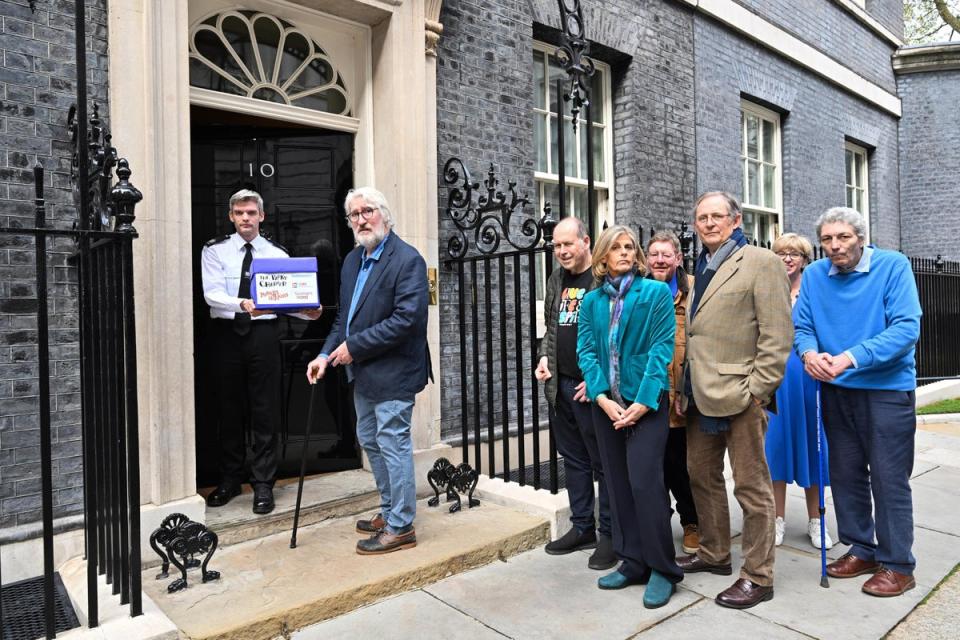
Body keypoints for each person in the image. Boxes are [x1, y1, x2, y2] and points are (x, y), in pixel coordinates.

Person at [794, 207, 922, 597]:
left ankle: (898, 564)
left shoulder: (893, 266)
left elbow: (906, 328)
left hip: (886, 390)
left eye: (843, 237)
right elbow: (803, 327)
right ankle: (862, 548)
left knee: (888, 477)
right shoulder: (815, 275)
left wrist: (851, 357)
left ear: (861, 237)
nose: (834, 246)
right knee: (846, 474)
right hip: (836, 390)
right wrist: (809, 355)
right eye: (828, 239)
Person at [676, 191, 792, 610]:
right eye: (701, 217)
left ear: (736, 220)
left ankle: (759, 576)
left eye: (717, 216)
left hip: (742, 396)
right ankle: (714, 553)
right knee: (701, 476)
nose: (708, 223)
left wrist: (758, 392)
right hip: (699, 396)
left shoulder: (762, 263)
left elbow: (777, 336)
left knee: (751, 486)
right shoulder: (698, 270)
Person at [306, 187, 430, 555]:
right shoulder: (351, 261)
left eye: (368, 211)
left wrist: (353, 348)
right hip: (363, 374)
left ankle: (401, 526)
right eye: (354, 214)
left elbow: (407, 320)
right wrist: (325, 354)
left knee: (393, 444)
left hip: (395, 372)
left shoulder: (408, 260)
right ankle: (391, 510)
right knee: (372, 442)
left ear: (385, 215)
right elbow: (345, 319)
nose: (361, 219)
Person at [577, 225, 682, 609]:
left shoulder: (653, 293)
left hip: (646, 406)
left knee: (645, 484)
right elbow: (586, 351)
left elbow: (661, 349)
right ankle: (633, 560)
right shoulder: (590, 302)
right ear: (603, 256)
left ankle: (663, 568)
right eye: (616, 248)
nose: (624, 252)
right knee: (617, 484)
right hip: (606, 407)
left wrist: (643, 402)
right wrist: (602, 398)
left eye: (629, 247)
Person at [201, 189, 321, 514]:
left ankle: (263, 483)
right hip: (227, 335)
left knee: (265, 408)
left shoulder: (278, 255)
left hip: (264, 336)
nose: (245, 218)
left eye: (251, 213)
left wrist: (307, 312)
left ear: (261, 216)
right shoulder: (215, 251)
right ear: (231, 216)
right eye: (239, 213)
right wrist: (242, 304)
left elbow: (282, 301)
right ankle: (229, 480)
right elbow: (211, 294)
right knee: (228, 408)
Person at [535, 217, 615, 570]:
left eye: (568, 244)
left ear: (586, 241)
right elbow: (552, 325)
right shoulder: (556, 279)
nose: (562, 251)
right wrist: (543, 356)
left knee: (604, 464)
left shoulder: (602, 278)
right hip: (561, 384)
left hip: (592, 389)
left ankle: (611, 534)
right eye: (556, 246)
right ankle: (583, 527)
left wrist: (598, 380)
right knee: (575, 461)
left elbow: (616, 333)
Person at [765, 233, 834, 549]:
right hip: (775, 381)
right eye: (781, 253)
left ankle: (817, 521)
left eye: (795, 253)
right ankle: (776, 521)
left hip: (809, 378)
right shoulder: (768, 290)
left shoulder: (817, 290)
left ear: (805, 258)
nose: (788, 258)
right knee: (775, 451)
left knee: (813, 449)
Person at [646, 231, 700, 555]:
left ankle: (692, 521)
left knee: (681, 463)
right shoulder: (640, 291)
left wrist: (687, 392)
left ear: (678, 258)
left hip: (681, 393)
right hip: (650, 392)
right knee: (654, 463)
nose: (660, 260)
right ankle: (658, 522)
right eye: (654, 254)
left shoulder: (691, 291)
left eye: (666, 254)